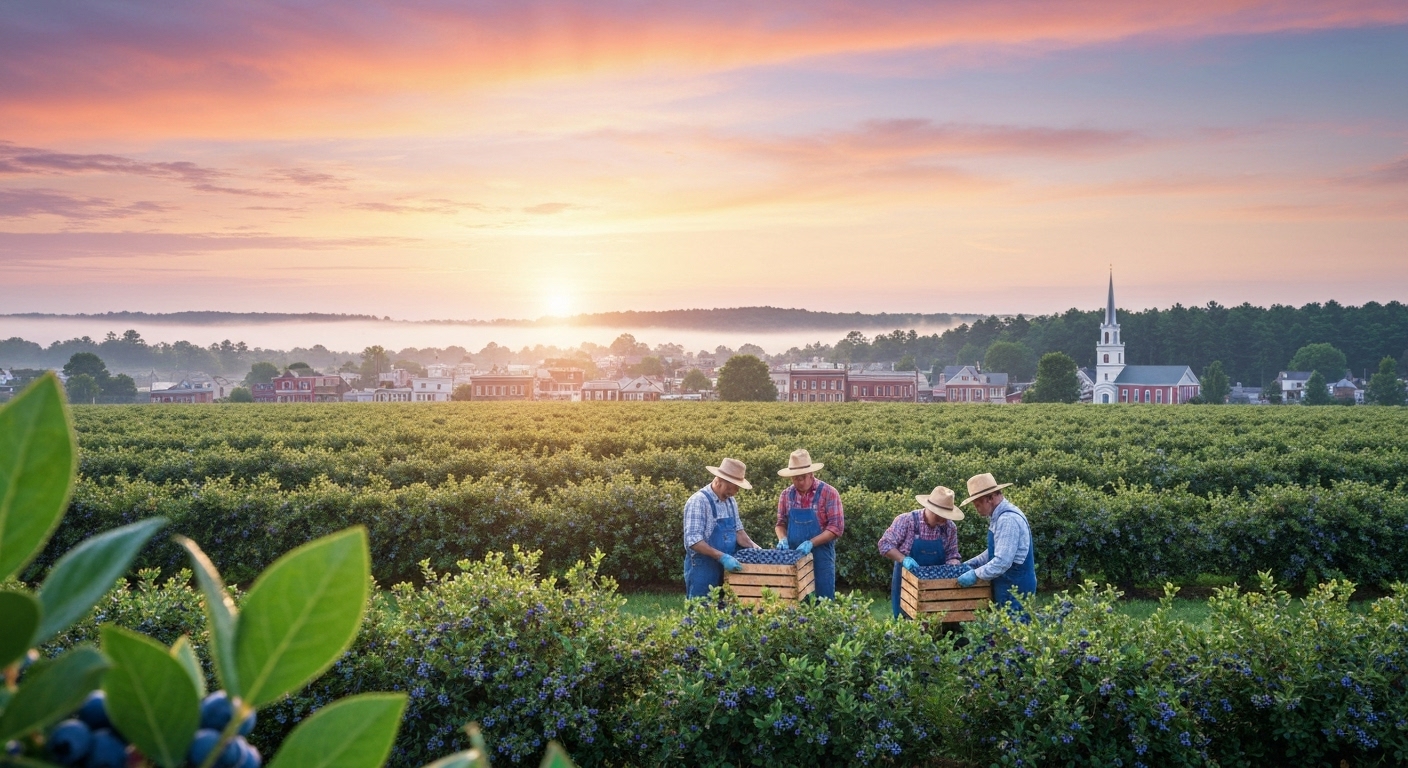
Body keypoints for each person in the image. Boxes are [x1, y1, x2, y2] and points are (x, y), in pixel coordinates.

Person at [877, 486, 963, 618]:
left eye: (947, 516)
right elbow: (884, 544)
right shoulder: (907, 521)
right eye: (941, 516)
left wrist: (953, 565)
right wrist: (903, 559)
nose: (944, 520)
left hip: (936, 586)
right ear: (932, 509)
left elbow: (953, 554)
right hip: (907, 582)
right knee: (906, 621)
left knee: (937, 624)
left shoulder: (949, 527)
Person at [956, 473, 1036, 614]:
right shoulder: (998, 516)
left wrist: (975, 574)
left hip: (1016, 588)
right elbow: (996, 550)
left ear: (990, 498)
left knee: (1015, 633)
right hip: (1006, 586)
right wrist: (972, 563)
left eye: (978, 504)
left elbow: (1002, 561)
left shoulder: (1007, 520)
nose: (977, 508)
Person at [683, 457, 761, 599]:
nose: (735, 491)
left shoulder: (730, 501)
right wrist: (723, 557)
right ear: (719, 480)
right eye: (732, 486)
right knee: (701, 615)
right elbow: (693, 541)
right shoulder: (699, 501)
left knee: (726, 614)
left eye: (738, 487)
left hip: (726, 569)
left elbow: (739, 532)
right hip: (703, 569)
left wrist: (758, 550)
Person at [773, 449, 843, 599]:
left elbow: (836, 528)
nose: (800, 482)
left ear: (811, 474)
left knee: (822, 601)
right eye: (795, 478)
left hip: (821, 557)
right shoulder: (786, 495)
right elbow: (780, 523)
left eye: (803, 478)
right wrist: (782, 538)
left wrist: (811, 543)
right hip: (794, 557)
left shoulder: (829, 493)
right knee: (794, 600)